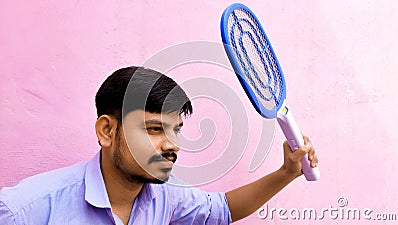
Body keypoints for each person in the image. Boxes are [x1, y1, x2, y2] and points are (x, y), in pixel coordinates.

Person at [0, 66, 318, 224]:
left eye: (176, 130)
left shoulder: (166, 197)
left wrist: (287, 172)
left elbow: (221, 209)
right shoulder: (24, 210)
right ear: (107, 131)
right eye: (154, 129)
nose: (172, 146)